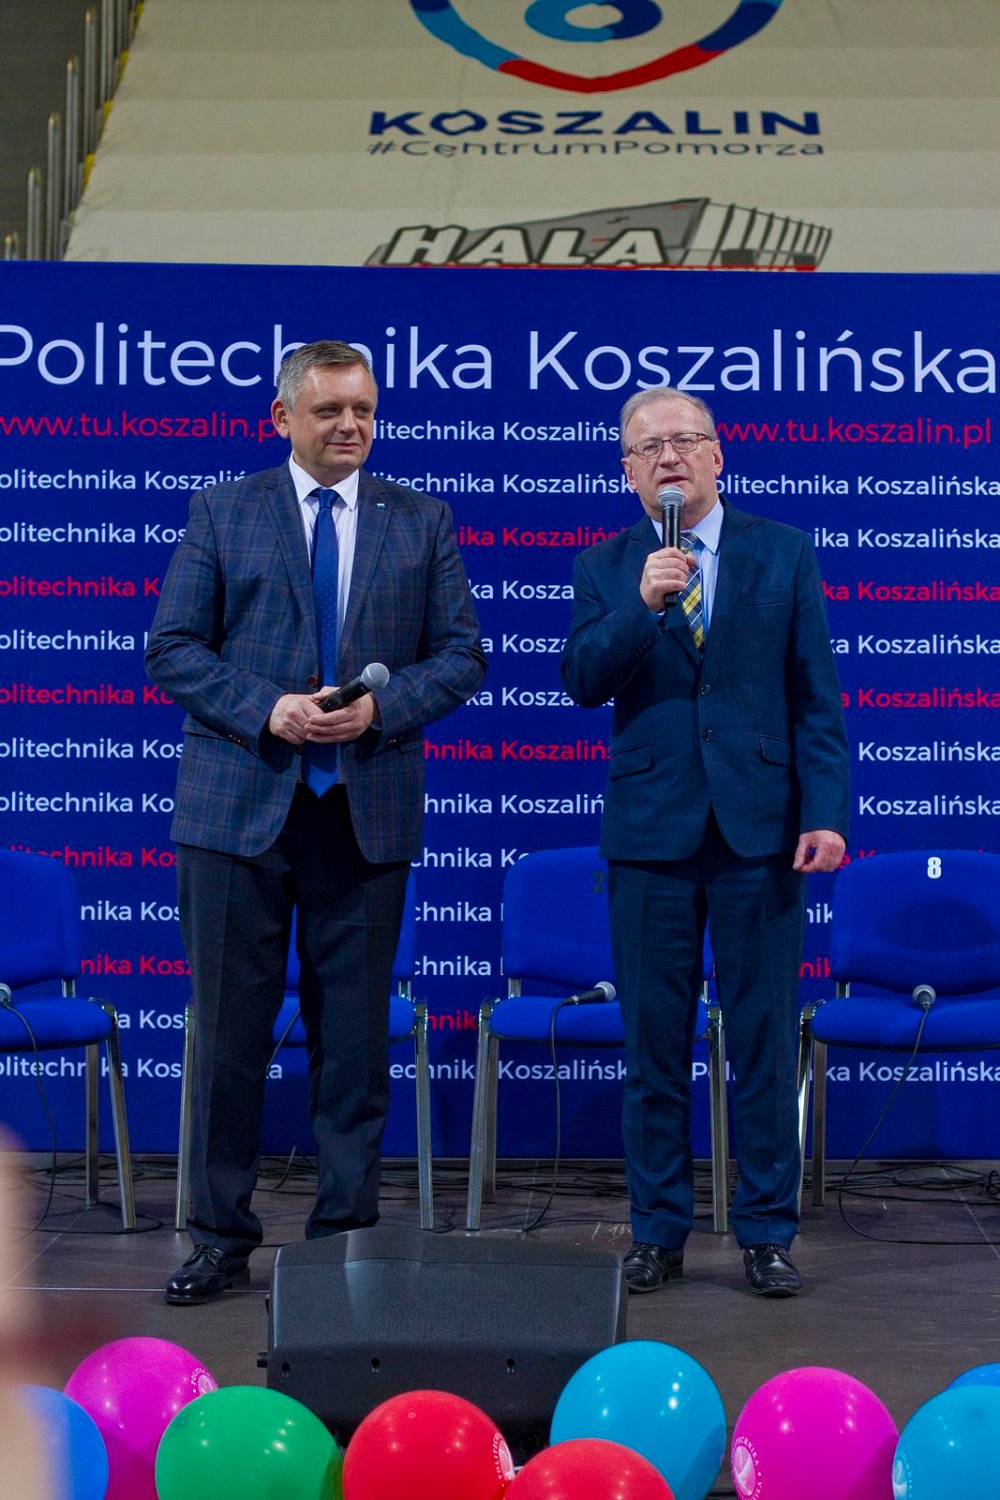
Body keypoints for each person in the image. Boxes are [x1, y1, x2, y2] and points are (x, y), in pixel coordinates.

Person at [146, 340, 486, 1305]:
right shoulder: (224, 510)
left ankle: (343, 1244)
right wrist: (269, 708)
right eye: (331, 409)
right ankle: (219, 1238)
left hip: (363, 815)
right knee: (229, 1038)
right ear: (283, 417)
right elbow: (172, 647)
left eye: (364, 410)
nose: (350, 426)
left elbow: (462, 656)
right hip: (236, 815)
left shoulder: (420, 519)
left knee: (354, 1046)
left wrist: (380, 708)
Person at [560, 387, 849, 1297]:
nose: (670, 458)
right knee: (653, 1049)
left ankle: (766, 1232)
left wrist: (825, 811)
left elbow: (815, 696)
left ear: (718, 456)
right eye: (649, 448)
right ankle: (658, 1233)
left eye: (686, 440)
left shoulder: (782, 551)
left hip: (759, 830)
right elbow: (581, 680)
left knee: (761, 1042)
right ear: (628, 472)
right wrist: (641, 606)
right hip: (650, 834)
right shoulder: (608, 566)